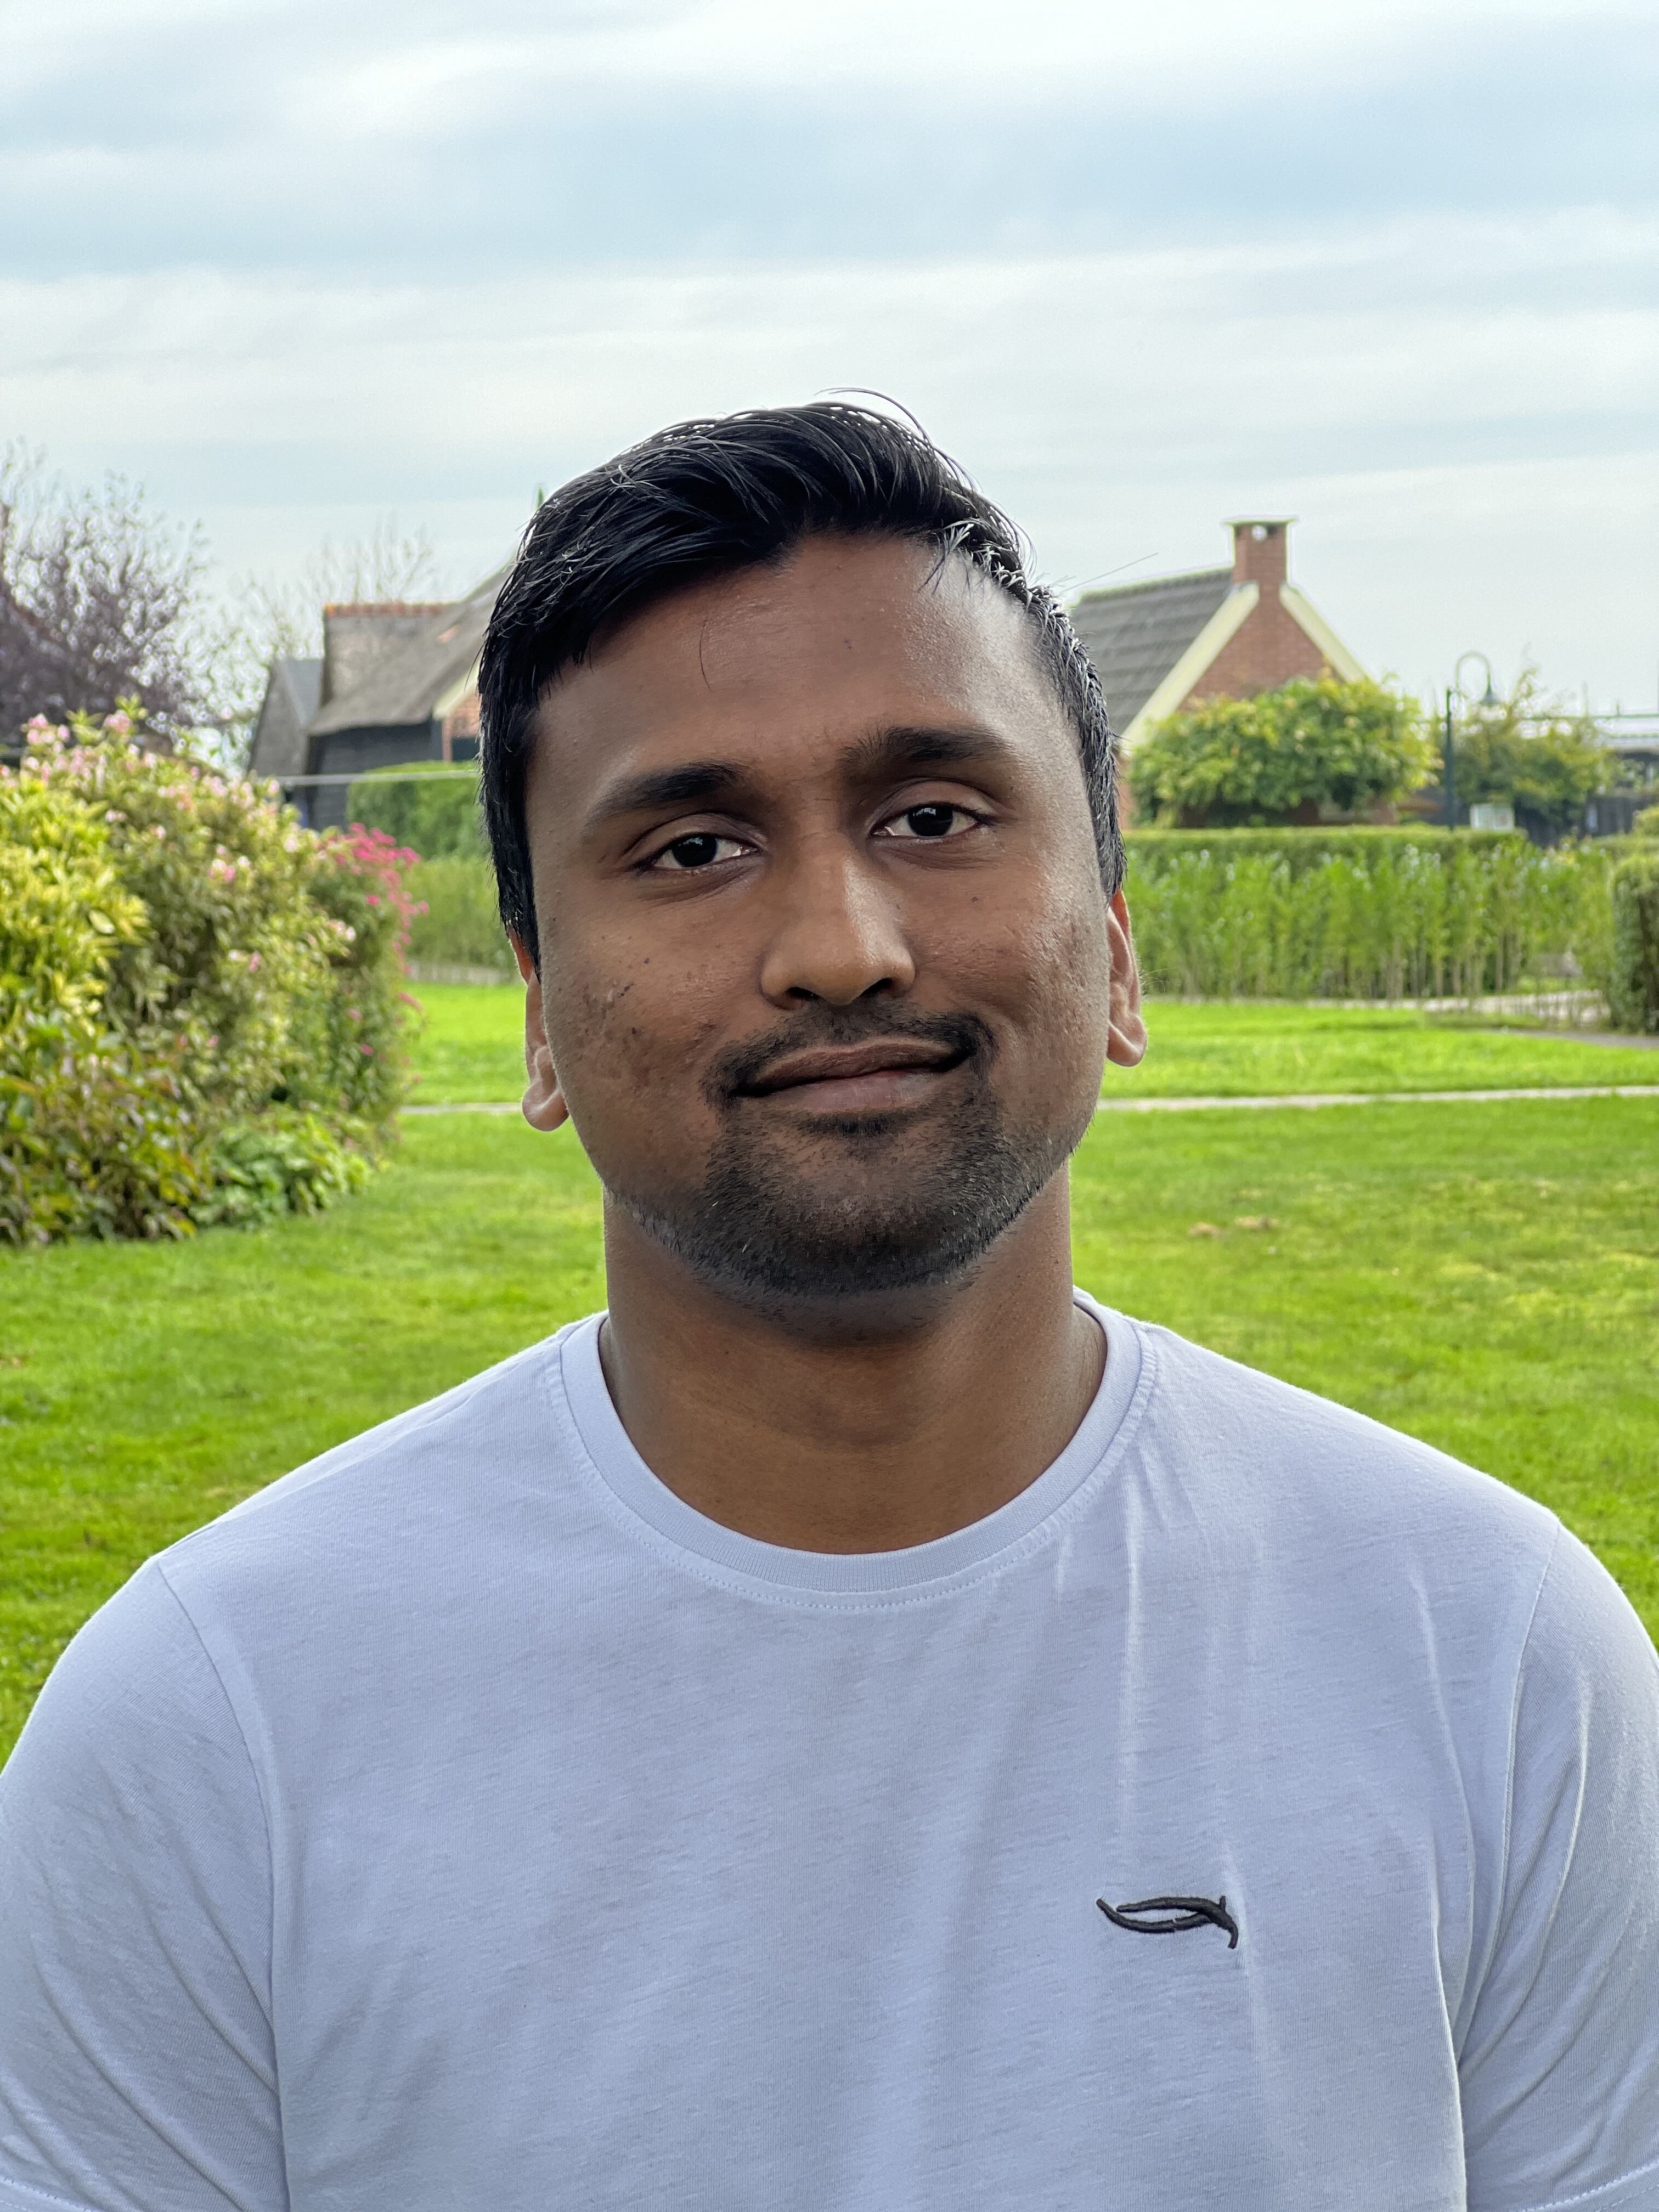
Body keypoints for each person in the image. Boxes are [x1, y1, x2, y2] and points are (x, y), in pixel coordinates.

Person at [1, 404, 1655, 2212]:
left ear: (1115, 940)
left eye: (934, 814)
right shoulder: (213, 1730)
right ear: (539, 1011)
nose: (842, 942)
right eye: (694, 849)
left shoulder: (1491, 1658)